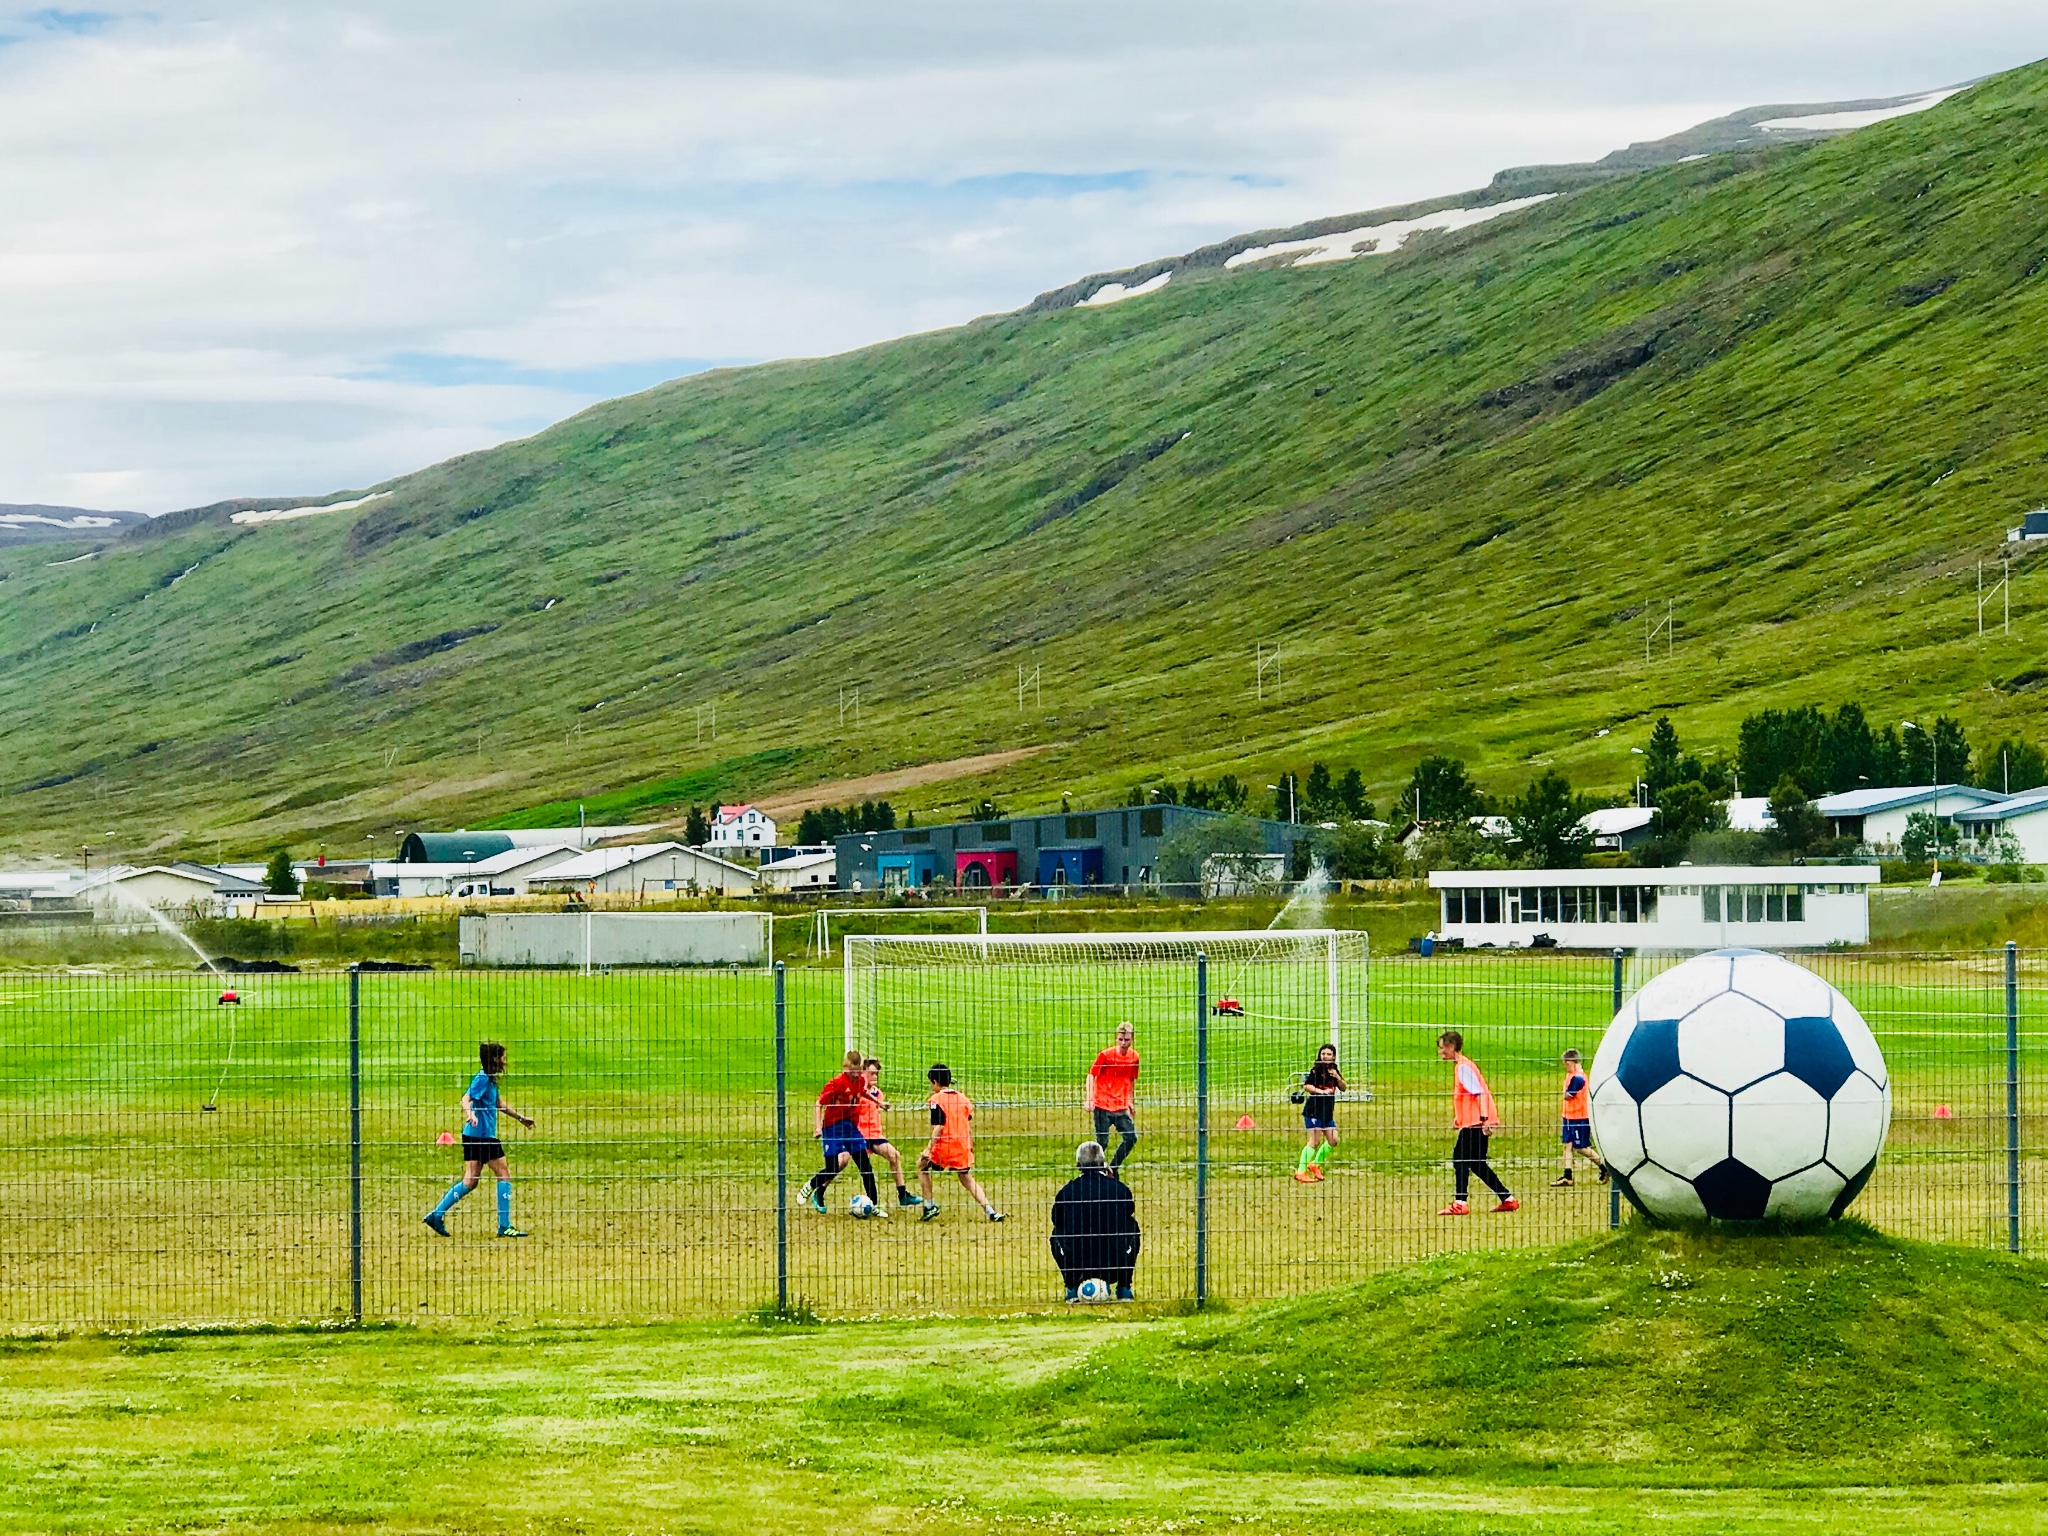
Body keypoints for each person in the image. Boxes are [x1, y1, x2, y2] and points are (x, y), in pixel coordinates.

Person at [424, 1040, 535, 1238]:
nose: (505, 1060)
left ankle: (436, 1215)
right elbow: (465, 1099)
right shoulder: (483, 1078)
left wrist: (521, 1118)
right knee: (504, 1175)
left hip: (473, 1136)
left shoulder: (488, 1078)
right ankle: (505, 1226)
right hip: (483, 1136)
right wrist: (470, 1114)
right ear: (495, 1058)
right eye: (502, 1056)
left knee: (470, 1180)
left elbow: (498, 1103)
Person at [1436, 1030, 1517, 1216]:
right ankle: (1507, 1198)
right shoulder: (1464, 1065)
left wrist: (1484, 1119)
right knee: (1477, 1164)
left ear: (1451, 1047)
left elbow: (1478, 1093)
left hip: (1476, 1123)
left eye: (1442, 1048)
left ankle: (1460, 1202)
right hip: (1473, 1121)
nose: (1440, 1052)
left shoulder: (1463, 1067)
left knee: (1460, 1159)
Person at [1050, 1141, 1141, 1301]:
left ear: (1078, 1165)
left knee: (1057, 1233)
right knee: (1131, 1226)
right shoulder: (1120, 1189)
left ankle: (1071, 1287)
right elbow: (1128, 1210)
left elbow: (1056, 1219)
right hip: (1114, 1261)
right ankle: (1124, 1287)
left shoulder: (1067, 1192)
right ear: (1103, 1164)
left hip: (1078, 1262)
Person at [917, 1063, 1004, 1222]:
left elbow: (939, 1125)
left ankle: (929, 1205)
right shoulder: (963, 1099)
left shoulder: (936, 1100)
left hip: (944, 1146)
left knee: (921, 1166)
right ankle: (990, 1211)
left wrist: (928, 1149)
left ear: (935, 1082)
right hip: (962, 1146)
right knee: (966, 1178)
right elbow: (967, 1119)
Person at [800, 1048, 881, 1215]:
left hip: (850, 1128)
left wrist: (879, 1103)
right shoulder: (836, 1083)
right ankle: (811, 1185)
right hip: (832, 1128)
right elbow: (819, 1103)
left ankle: (874, 1205)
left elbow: (863, 1092)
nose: (856, 1075)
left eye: (859, 1072)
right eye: (853, 1071)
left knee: (865, 1166)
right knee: (831, 1168)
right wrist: (817, 1127)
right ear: (846, 1067)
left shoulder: (859, 1081)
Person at [858, 1056, 924, 1209]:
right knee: (841, 1162)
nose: (874, 1077)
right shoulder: (857, 1093)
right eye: (871, 1073)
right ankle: (820, 1189)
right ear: (862, 1073)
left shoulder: (878, 1094)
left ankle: (903, 1195)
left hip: (874, 1135)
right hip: (858, 1135)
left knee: (894, 1156)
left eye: (876, 1074)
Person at [1086, 1021, 1141, 1173]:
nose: (1123, 1043)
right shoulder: (1105, 1055)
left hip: (1120, 1106)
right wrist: (1090, 1098)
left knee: (1131, 1138)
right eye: (1120, 1039)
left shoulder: (1134, 1057)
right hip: (1103, 1104)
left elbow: (1131, 1079)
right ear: (1116, 1038)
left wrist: (1130, 1101)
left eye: (1127, 1040)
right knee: (1102, 1143)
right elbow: (1091, 1075)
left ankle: (1112, 1168)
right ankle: (1096, 1172)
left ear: (1132, 1039)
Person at [1551, 1048, 1606, 1187]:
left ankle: (1604, 1167)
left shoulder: (1578, 1078)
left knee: (1581, 1147)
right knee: (1567, 1146)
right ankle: (1567, 1176)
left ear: (1570, 1062)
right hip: (1569, 1116)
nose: (1565, 1067)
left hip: (1579, 1117)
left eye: (1565, 1064)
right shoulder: (1572, 1075)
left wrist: (1564, 1089)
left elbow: (1567, 1095)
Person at [1292, 1043, 1347, 1183]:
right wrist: (1321, 1091)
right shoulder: (1316, 1070)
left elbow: (1344, 1088)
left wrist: (1337, 1077)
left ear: (1334, 1056)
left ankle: (1315, 1164)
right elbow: (1307, 1086)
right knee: (1314, 1141)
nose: (1325, 1056)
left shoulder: (1334, 1070)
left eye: (1328, 1054)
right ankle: (1301, 1171)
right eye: (1323, 1054)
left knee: (1333, 1140)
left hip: (1327, 1113)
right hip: (1314, 1111)